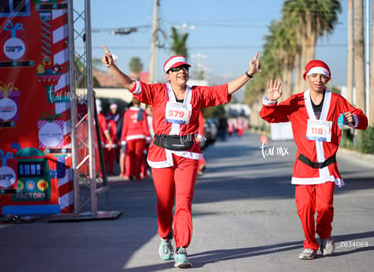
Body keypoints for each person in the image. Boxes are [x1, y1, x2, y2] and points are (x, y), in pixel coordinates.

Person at [102, 45, 260, 268]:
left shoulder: (197, 94)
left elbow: (224, 89)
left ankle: (182, 248)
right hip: (161, 154)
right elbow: (130, 84)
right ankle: (166, 236)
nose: (181, 72)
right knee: (164, 204)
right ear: (168, 75)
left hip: (187, 154)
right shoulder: (157, 92)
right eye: (176, 69)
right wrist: (112, 67)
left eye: (185, 68)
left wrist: (249, 74)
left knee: (184, 202)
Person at [259, 60, 368, 260]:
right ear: (307, 78)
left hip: (327, 166)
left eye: (322, 76)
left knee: (324, 207)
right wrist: (271, 101)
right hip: (304, 166)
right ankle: (310, 245)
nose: (318, 80)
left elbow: (361, 118)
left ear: (328, 78)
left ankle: (325, 234)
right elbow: (269, 116)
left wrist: (355, 119)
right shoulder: (296, 101)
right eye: (314, 76)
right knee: (304, 208)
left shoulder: (336, 101)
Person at [120, 98, 151, 180]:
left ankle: (128, 173)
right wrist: (147, 136)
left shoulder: (127, 113)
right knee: (138, 157)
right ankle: (137, 175)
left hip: (130, 137)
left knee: (129, 156)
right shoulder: (142, 112)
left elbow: (125, 127)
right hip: (141, 137)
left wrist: (123, 139)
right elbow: (145, 125)